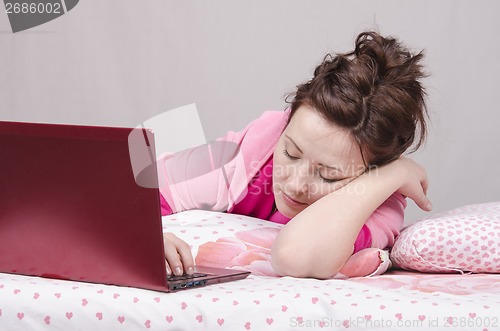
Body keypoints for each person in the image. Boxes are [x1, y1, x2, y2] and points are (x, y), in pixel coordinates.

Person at [159, 31, 432, 279]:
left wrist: (394, 174)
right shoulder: (262, 144)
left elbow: (294, 258)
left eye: (328, 175)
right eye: (291, 153)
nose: (295, 184)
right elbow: (140, 184)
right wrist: (148, 236)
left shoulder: (379, 201)